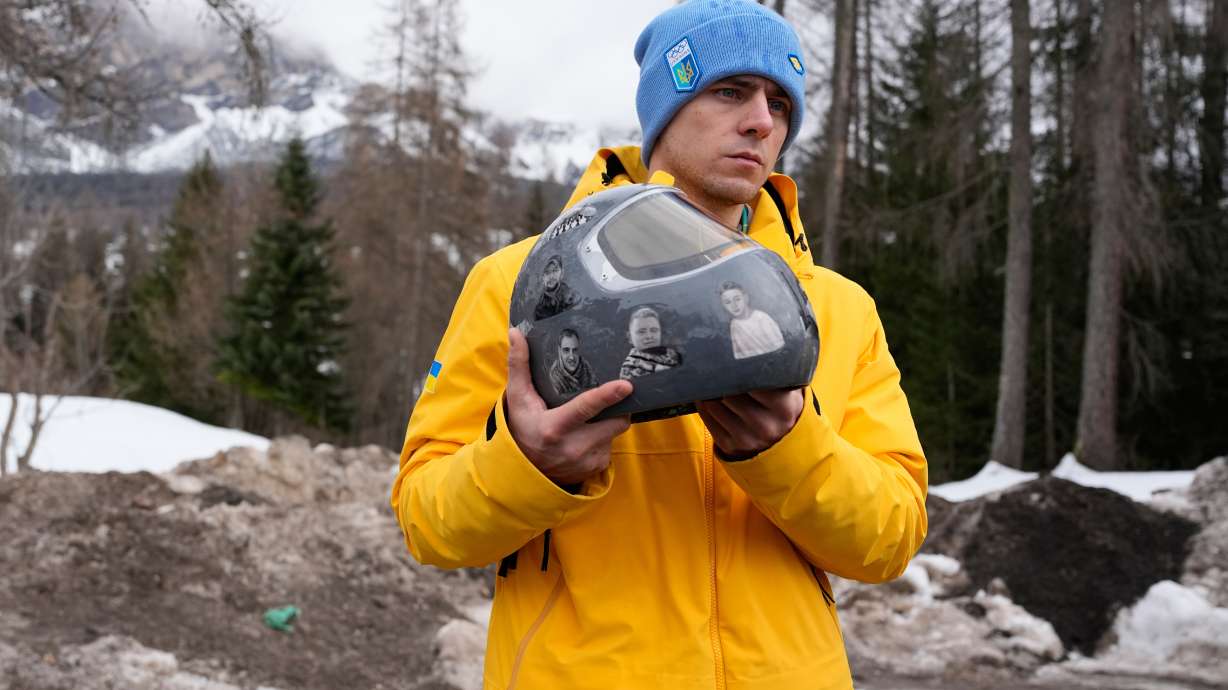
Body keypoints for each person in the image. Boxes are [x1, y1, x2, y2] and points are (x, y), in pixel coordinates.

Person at [391, 3, 928, 689]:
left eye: (780, 104)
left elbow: (893, 535)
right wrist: (529, 465)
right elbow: (426, 520)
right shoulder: (523, 285)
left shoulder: (838, 308)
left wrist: (790, 452)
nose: (762, 121)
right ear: (664, 111)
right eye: (730, 91)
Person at [720, 280, 785, 359]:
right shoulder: (734, 325)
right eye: (728, 302)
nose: (734, 305)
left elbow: (780, 348)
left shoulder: (762, 318)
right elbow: (739, 355)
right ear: (723, 306)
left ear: (746, 298)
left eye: (737, 299)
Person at [619, 306, 683, 379]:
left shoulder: (672, 354)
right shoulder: (630, 368)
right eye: (641, 332)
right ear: (630, 337)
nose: (649, 336)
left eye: (654, 330)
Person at [549, 328, 596, 395]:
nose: (571, 357)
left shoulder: (586, 367)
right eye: (566, 350)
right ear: (559, 351)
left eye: (575, 350)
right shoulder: (555, 375)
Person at [533, 255, 577, 320]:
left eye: (555, 271)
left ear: (562, 272)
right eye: (547, 272)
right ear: (542, 276)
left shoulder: (568, 294)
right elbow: (531, 320)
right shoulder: (537, 295)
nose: (551, 276)